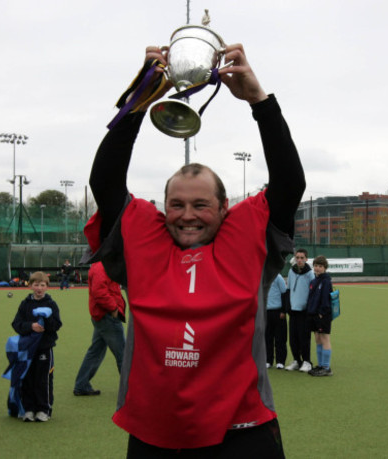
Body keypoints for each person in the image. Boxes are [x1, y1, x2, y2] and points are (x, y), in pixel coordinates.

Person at [83, 44, 305, 456]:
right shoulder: (144, 238)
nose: (187, 215)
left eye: (201, 205)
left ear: (225, 208)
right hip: (155, 433)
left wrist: (259, 101)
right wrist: (140, 96)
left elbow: (289, 183)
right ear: (162, 207)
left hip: (243, 431)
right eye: (177, 204)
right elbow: (106, 183)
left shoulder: (246, 238)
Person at [11, 271, 62, 422]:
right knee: (27, 378)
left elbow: (57, 325)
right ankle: (28, 409)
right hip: (27, 348)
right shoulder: (25, 304)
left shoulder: (51, 304)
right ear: (30, 286)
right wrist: (31, 326)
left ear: (47, 286)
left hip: (44, 348)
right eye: (36, 285)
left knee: (43, 379)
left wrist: (46, 320)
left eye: (42, 285)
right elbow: (16, 324)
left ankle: (43, 409)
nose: (39, 288)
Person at [73, 261, 126, 396]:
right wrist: (113, 308)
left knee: (96, 351)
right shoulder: (102, 267)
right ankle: (131, 390)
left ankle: (81, 384)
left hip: (102, 316)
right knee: (123, 354)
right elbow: (99, 292)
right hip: (107, 316)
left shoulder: (100, 265)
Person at [284, 249, 315, 373]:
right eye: (297, 257)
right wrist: (288, 307)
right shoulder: (291, 272)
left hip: (304, 312)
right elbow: (288, 290)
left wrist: (309, 309)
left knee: (304, 338)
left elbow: (312, 294)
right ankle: (297, 360)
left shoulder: (310, 274)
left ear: (306, 259)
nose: (300, 260)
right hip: (293, 311)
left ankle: (307, 361)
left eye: (302, 257)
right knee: (293, 338)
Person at [306, 255, 334, 377]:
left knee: (324, 339)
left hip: (323, 315)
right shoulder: (314, 281)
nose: (317, 268)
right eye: (316, 266)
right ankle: (320, 365)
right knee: (317, 339)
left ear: (325, 268)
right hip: (313, 314)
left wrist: (322, 313)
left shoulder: (326, 281)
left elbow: (326, 300)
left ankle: (326, 367)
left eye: (320, 266)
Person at [265, 273, 288, 370]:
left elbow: (284, 293)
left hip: (278, 312)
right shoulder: (262, 277)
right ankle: (268, 360)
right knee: (267, 338)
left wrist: (283, 310)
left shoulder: (278, 277)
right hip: (266, 312)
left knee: (280, 338)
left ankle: (280, 361)